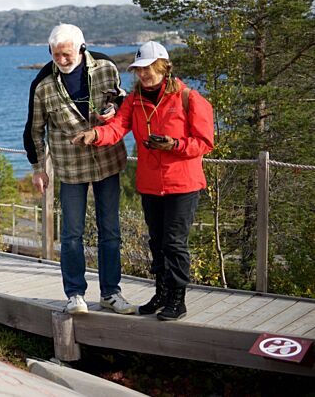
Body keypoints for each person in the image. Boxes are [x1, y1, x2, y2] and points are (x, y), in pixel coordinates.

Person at [73, 41, 214, 321]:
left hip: (182, 184)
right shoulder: (135, 100)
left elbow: (204, 143)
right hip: (150, 183)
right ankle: (161, 293)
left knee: (174, 243)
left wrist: (173, 144)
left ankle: (177, 299)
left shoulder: (189, 98)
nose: (144, 74)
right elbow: (118, 126)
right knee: (157, 242)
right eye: (139, 69)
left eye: (149, 68)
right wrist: (95, 135)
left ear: (164, 67)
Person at [23, 23, 136, 315]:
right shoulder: (42, 84)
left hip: (108, 160)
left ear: (81, 48)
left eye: (67, 54)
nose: (61, 61)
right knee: (72, 234)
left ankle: (111, 293)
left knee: (110, 231)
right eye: (56, 55)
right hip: (70, 167)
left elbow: (123, 101)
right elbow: (34, 130)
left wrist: (114, 109)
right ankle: (75, 295)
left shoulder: (107, 67)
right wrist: (38, 168)